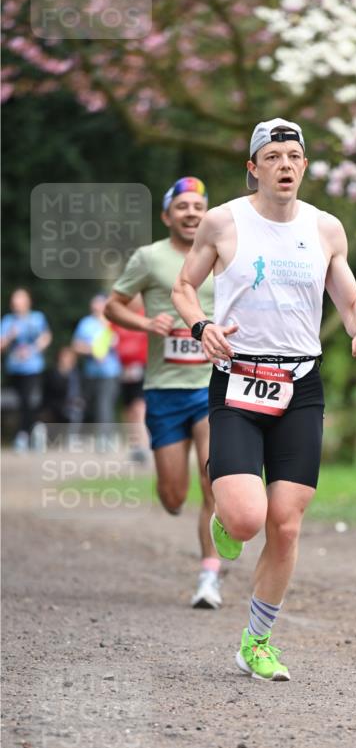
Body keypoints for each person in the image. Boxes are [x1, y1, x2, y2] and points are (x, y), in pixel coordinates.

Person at [171, 118, 356, 681]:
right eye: (273, 156)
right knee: (246, 521)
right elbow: (183, 287)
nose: (285, 165)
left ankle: (257, 641)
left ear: (305, 166)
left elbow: (351, 299)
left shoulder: (326, 229)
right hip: (239, 379)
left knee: (285, 525)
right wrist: (201, 328)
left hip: (300, 387)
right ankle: (226, 511)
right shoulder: (223, 222)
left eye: (294, 156)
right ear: (253, 167)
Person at [105, 177, 222, 610]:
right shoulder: (149, 258)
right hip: (164, 390)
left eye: (198, 206)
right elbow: (112, 305)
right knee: (174, 498)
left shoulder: (223, 253)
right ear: (166, 215)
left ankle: (209, 576)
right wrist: (144, 324)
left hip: (213, 386)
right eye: (183, 207)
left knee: (214, 483)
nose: (191, 213)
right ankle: (170, 488)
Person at [1, 288, 52, 451]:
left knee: (30, 401)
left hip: (33, 368)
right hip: (14, 369)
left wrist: (32, 349)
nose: (16, 304)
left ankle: (23, 436)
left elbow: (46, 337)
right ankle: (32, 432)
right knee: (18, 403)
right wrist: (10, 335)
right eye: (14, 301)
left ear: (27, 301)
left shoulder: (37, 318)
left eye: (19, 300)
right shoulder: (8, 320)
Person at [72, 293, 121, 444]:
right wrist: (93, 350)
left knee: (104, 404)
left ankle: (105, 438)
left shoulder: (113, 323)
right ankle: (92, 435)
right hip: (91, 372)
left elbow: (124, 344)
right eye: (94, 303)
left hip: (111, 372)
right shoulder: (85, 323)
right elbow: (76, 346)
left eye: (100, 303)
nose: (96, 306)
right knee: (91, 405)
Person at [111, 295, 150, 463]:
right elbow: (109, 339)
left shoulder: (145, 316)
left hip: (141, 368)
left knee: (139, 407)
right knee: (127, 410)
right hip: (122, 371)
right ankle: (134, 445)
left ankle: (143, 445)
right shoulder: (118, 319)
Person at [42, 345, 84, 430]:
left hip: (72, 405)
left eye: (68, 357)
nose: (65, 359)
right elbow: (48, 393)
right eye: (64, 356)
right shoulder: (52, 374)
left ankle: (72, 436)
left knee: (76, 409)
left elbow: (81, 393)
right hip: (56, 404)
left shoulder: (77, 375)